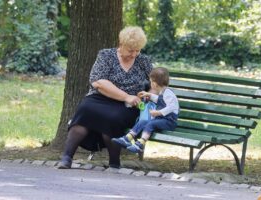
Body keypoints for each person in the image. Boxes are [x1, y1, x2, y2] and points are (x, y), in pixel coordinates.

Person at [57, 26, 153, 169]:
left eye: (137, 50)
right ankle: (67, 157)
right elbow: (98, 82)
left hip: (128, 106)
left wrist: (147, 94)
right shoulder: (106, 55)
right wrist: (125, 96)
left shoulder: (143, 61)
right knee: (85, 109)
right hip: (100, 98)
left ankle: (114, 162)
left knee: (114, 117)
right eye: (130, 50)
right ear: (121, 44)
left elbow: (155, 83)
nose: (134, 54)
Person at [112, 67, 179, 153]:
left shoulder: (168, 93)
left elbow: (172, 107)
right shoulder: (163, 92)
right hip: (161, 119)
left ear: (154, 84)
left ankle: (140, 144)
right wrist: (149, 95)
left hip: (169, 122)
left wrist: (159, 112)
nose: (150, 83)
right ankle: (127, 138)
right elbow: (159, 100)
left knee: (151, 123)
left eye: (151, 81)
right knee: (144, 121)